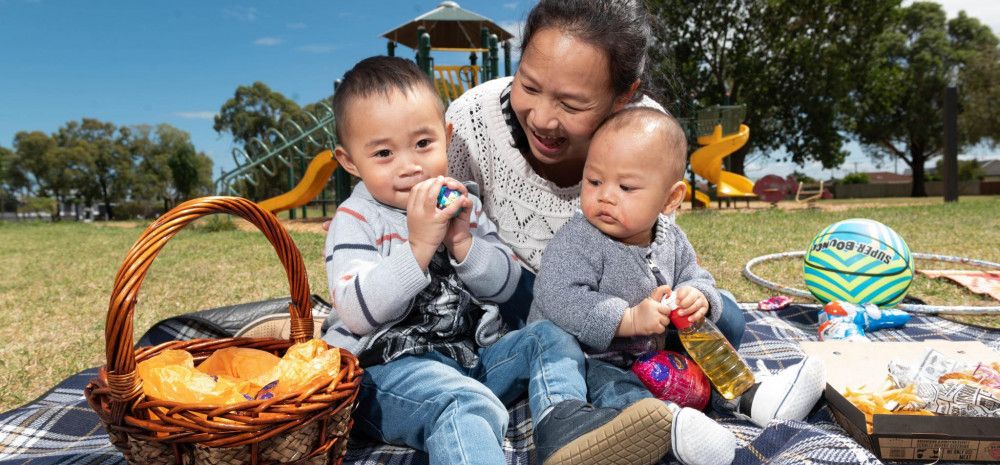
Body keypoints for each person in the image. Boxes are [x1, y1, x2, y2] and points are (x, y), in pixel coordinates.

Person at [320, 56, 677, 465]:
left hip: (472, 356)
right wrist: (417, 248)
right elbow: (355, 311)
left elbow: (506, 284)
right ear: (349, 162)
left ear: (447, 135)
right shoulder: (356, 220)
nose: (410, 165)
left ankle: (564, 428)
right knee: (465, 404)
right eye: (384, 153)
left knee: (552, 337)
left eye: (423, 143)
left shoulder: (462, 201)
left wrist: (462, 243)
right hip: (388, 372)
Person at [530, 108, 827, 465]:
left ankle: (751, 396)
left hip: (656, 349)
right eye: (594, 181)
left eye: (626, 187)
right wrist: (626, 319)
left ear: (670, 199)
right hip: (594, 354)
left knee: (708, 345)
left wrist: (697, 296)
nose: (605, 195)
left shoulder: (670, 236)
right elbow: (558, 296)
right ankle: (664, 429)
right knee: (617, 388)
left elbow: (696, 274)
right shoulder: (579, 238)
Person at [445, 0, 744, 349]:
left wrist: (684, 300)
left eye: (571, 104)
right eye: (528, 86)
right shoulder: (471, 121)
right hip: (514, 297)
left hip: (622, 300)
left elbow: (655, 253)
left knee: (728, 320)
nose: (541, 119)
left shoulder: (646, 135)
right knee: (552, 340)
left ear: (624, 96)